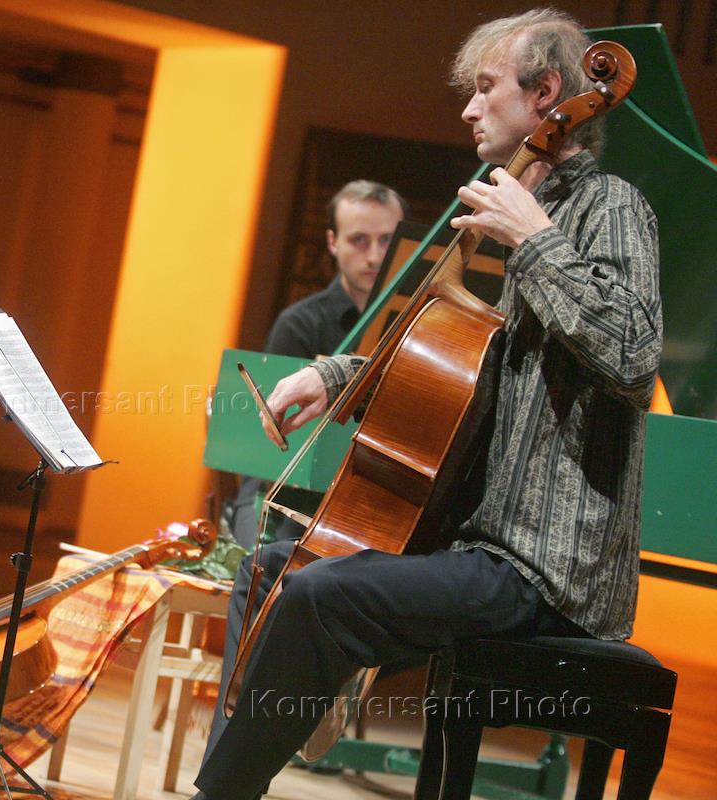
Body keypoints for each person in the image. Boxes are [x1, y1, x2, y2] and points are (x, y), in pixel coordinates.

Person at [194, 9, 662, 799]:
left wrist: (535, 240)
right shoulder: (528, 209)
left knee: (321, 593)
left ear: (547, 93)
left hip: (547, 568)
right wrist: (337, 376)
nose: (469, 109)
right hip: (480, 545)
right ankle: (233, 779)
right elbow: (469, 360)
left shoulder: (608, 206)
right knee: (274, 570)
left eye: (486, 88)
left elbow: (633, 354)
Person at [231, 181, 405, 549]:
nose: (375, 256)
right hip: (287, 486)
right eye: (359, 240)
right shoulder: (299, 324)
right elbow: (273, 442)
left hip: (379, 494)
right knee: (272, 558)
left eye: (387, 240)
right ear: (332, 242)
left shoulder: (421, 324)